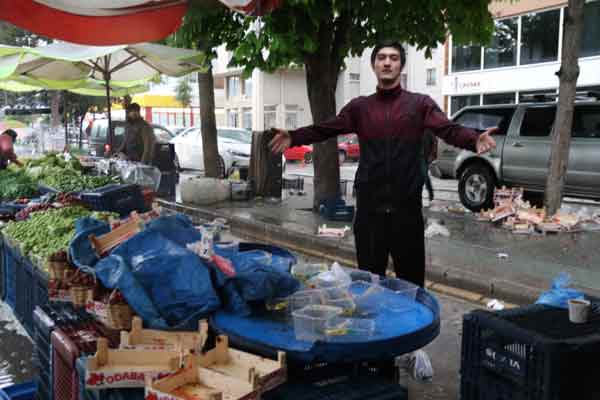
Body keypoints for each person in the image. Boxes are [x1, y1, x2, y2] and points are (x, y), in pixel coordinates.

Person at [269, 41, 497, 287]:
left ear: (401, 66)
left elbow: (447, 129)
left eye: (394, 58)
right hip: (370, 214)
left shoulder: (419, 104)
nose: (387, 62)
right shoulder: (360, 108)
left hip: (407, 213)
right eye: (381, 58)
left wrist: (474, 139)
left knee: (411, 287)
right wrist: (294, 137)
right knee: (369, 284)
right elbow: (326, 128)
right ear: (374, 65)